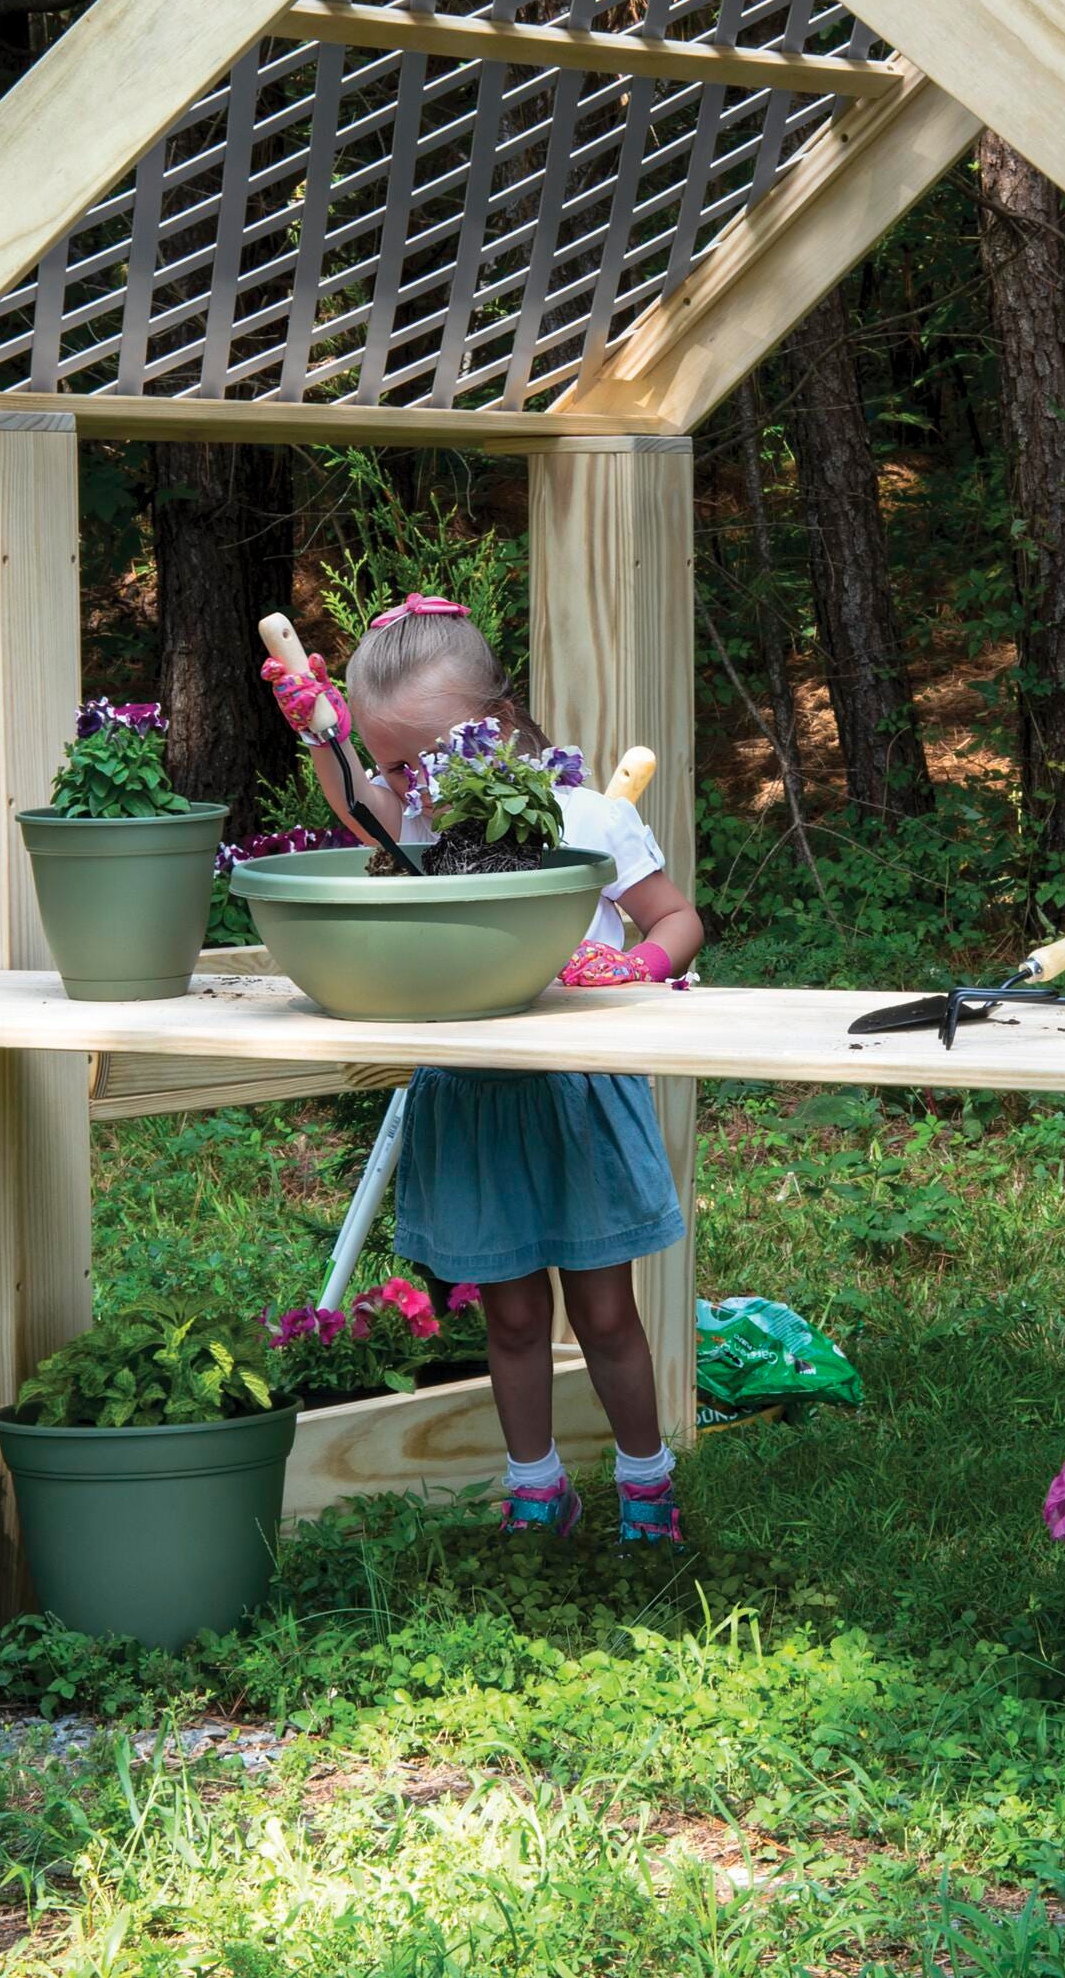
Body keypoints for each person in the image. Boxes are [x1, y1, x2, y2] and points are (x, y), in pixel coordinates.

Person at [263, 594, 702, 1544]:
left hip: (577, 1097)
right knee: (510, 1317)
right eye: (390, 765)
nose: (407, 784)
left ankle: (646, 1485)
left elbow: (677, 919)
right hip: (473, 1094)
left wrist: (633, 967)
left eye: (420, 760)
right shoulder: (420, 827)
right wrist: (322, 735)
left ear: (495, 725)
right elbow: (357, 803)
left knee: (605, 1313)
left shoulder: (584, 817)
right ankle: (536, 1489)